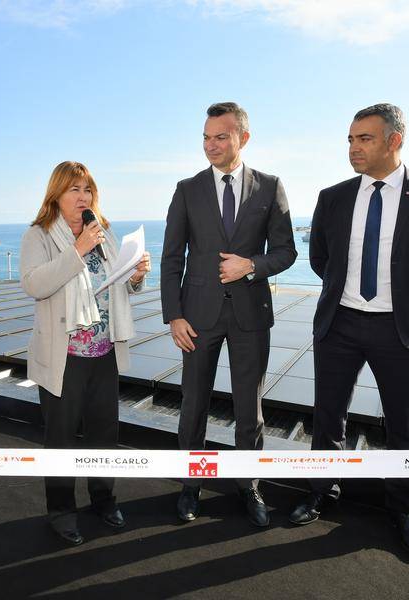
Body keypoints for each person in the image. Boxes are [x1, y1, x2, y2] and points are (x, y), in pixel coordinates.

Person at [288, 103, 409, 558]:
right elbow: (321, 260)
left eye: (364, 139)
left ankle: (404, 511)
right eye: (350, 139)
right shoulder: (333, 197)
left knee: (406, 427)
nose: (353, 148)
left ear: (394, 141)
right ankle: (321, 491)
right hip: (340, 323)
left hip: (401, 330)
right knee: (328, 417)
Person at [161, 102, 297, 527]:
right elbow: (170, 258)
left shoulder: (270, 187)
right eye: (205, 137)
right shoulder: (187, 189)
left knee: (248, 408)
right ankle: (190, 486)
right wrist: (173, 316)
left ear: (244, 138)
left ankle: (248, 485)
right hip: (196, 317)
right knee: (193, 404)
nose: (211, 145)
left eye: (220, 136)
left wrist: (251, 265)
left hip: (250, 315)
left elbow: (286, 252)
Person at [20, 161, 151, 546]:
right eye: (75, 190)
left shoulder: (103, 232)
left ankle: (103, 500)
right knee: (60, 438)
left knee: (104, 434)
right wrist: (76, 250)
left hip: (103, 351)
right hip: (65, 356)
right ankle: (61, 511)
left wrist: (136, 275)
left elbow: (117, 287)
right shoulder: (39, 235)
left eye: (88, 190)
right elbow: (34, 285)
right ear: (56, 195)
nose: (83, 197)